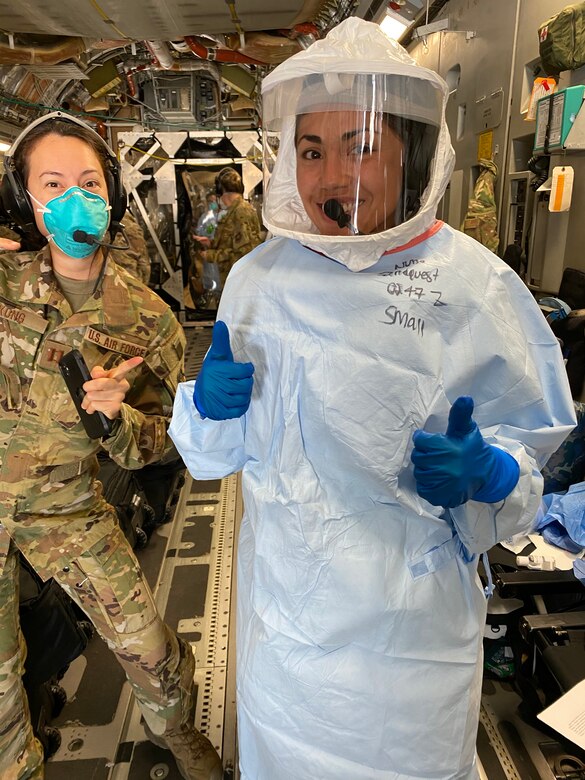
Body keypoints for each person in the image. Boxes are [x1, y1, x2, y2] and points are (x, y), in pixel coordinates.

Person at [169, 18, 575, 780]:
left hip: (409, 652)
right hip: (286, 636)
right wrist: (208, 410)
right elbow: (216, 454)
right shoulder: (261, 281)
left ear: (410, 154)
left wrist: (491, 475)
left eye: (359, 147)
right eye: (311, 151)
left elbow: (526, 466)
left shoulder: (474, 288)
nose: (331, 178)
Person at [0, 112, 222, 780]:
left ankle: (176, 734)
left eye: (89, 181)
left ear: (112, 195)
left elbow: (154, 447)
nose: (75, 196)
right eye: (53, 182)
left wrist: (114, 419)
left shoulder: (148, 317)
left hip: (68, 507)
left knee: (148, 647)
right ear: (25, 201)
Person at [196, 167, 261, 289]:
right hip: (233, 280)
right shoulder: (233, 211)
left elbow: (244, 254)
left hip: (239, 283)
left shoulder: (241, 212)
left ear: (221, 190)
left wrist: (212, 255)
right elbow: (232, 242)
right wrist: (211, 243)